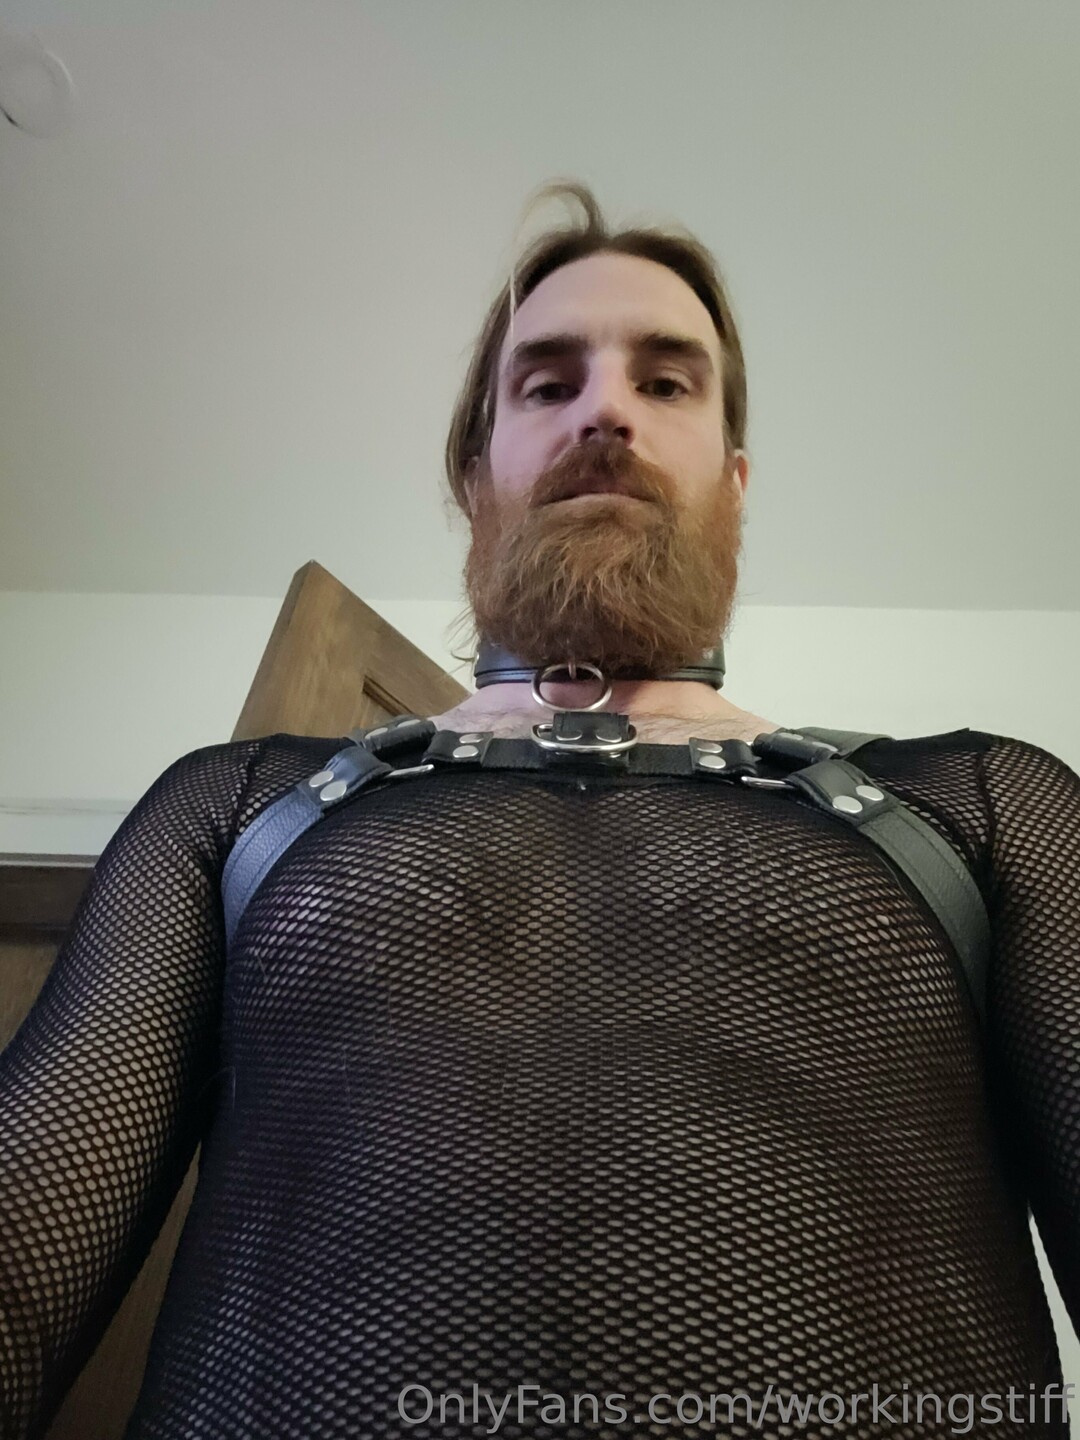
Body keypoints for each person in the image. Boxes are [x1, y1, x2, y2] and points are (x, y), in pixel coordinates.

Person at [2, 180, 1078, 1440]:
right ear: (476, 479)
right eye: (549, 382)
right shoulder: (239, 807)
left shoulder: (981, 806)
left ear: (736, 483)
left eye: (664, 382)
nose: (606, 411)